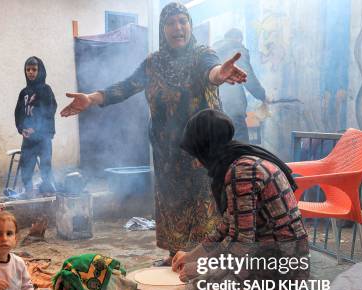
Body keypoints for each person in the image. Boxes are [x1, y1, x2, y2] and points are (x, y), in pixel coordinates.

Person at [60, 2, 247, 267]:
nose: (177, 28)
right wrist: (91, 98)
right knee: (171, 205)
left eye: (183, 21)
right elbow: (126, 86)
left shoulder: (202, 54)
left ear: (190, 26)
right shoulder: (153, 63)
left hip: (202, 154)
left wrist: (220, 74)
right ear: (162, 29)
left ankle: (204, 264)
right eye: (171, 23)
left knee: (204, 206)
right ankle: (175, 259)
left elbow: (213, 72)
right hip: (166, 153)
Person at [172, 109, 315, 290]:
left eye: (197, 154)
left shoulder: (242, 171)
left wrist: (203, 270)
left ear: (208, 148)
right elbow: (226, 227)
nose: (197, 164)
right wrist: (192, 256)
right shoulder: (240, 162)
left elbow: (241, 244)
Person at [214, 28, 269, 143]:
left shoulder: (213, 50)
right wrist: (262, 95)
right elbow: (247, 78)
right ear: (239, 38)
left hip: (214, 106)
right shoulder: (237, 49)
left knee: (221, 143)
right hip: (233, 106)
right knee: (240, 145)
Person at [14, 56, 57, 197]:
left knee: (46, 166)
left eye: (34, 69)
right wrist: (22, 129)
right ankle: (28, 194)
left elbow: (49, 111)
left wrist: (37, 128)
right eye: (28, 69)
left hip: (43, 137)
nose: (31, 72)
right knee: (26, 166)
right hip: (28, 138)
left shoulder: (46, 90)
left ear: (40, 71)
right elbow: (18, 113)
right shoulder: (24, 92)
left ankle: (47, 194)